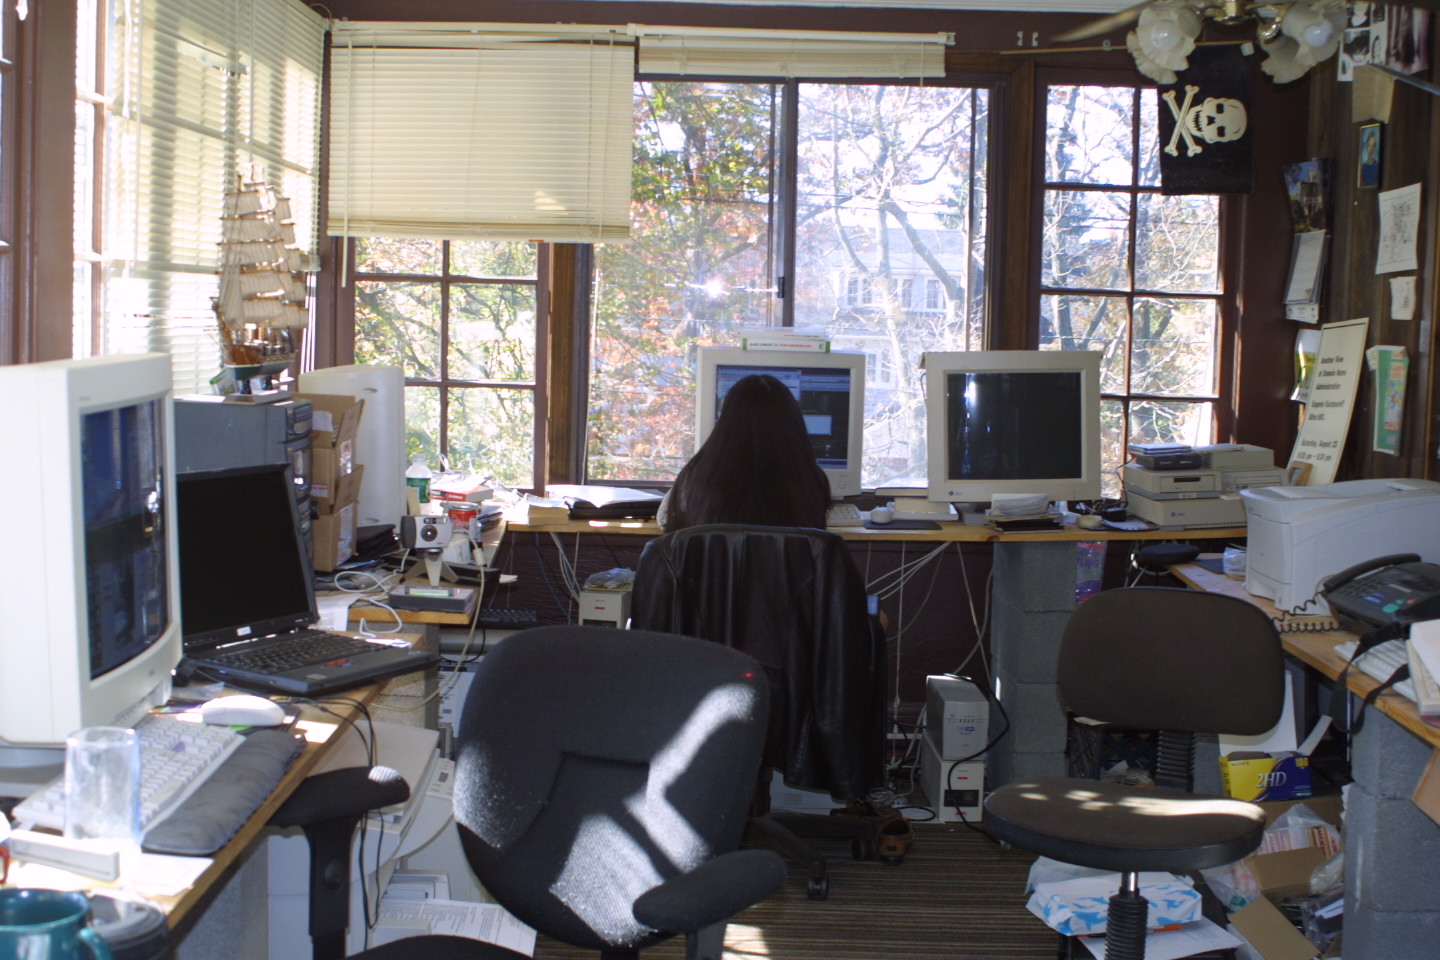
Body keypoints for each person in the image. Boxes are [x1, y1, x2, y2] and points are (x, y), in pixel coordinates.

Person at [658, 373, 830, 531]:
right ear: (793, 424)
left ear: (725, 423)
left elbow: (664, 521)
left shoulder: (696, 475)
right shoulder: (812, 479)